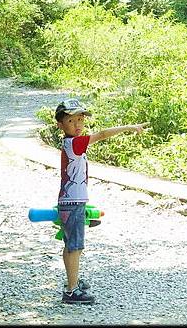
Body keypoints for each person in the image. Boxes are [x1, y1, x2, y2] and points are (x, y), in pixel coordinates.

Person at [55, 98, 149, 304]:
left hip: (70, 201)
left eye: (80, 120)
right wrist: (129, 127)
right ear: (60, 124)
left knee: (70, 245)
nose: (77, 124)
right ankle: (71, 291)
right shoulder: (75, 143)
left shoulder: (70, 143)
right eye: (71, 121)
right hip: (73, 202)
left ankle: (72, 282)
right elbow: (103, 134)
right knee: (75, 247)